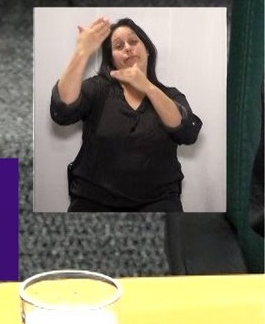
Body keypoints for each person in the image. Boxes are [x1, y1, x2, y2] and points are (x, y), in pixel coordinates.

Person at [50, 16, 202, 212]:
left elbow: (187, 134)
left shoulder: (170, 95)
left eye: (133, 41)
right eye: (119, 46)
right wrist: (82, 52)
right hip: (93, 199)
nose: (128, 48)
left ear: (147, 49)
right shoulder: (98, 88)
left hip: (158, 200)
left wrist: (148, 87)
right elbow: (63, 111)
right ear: (112, 60)